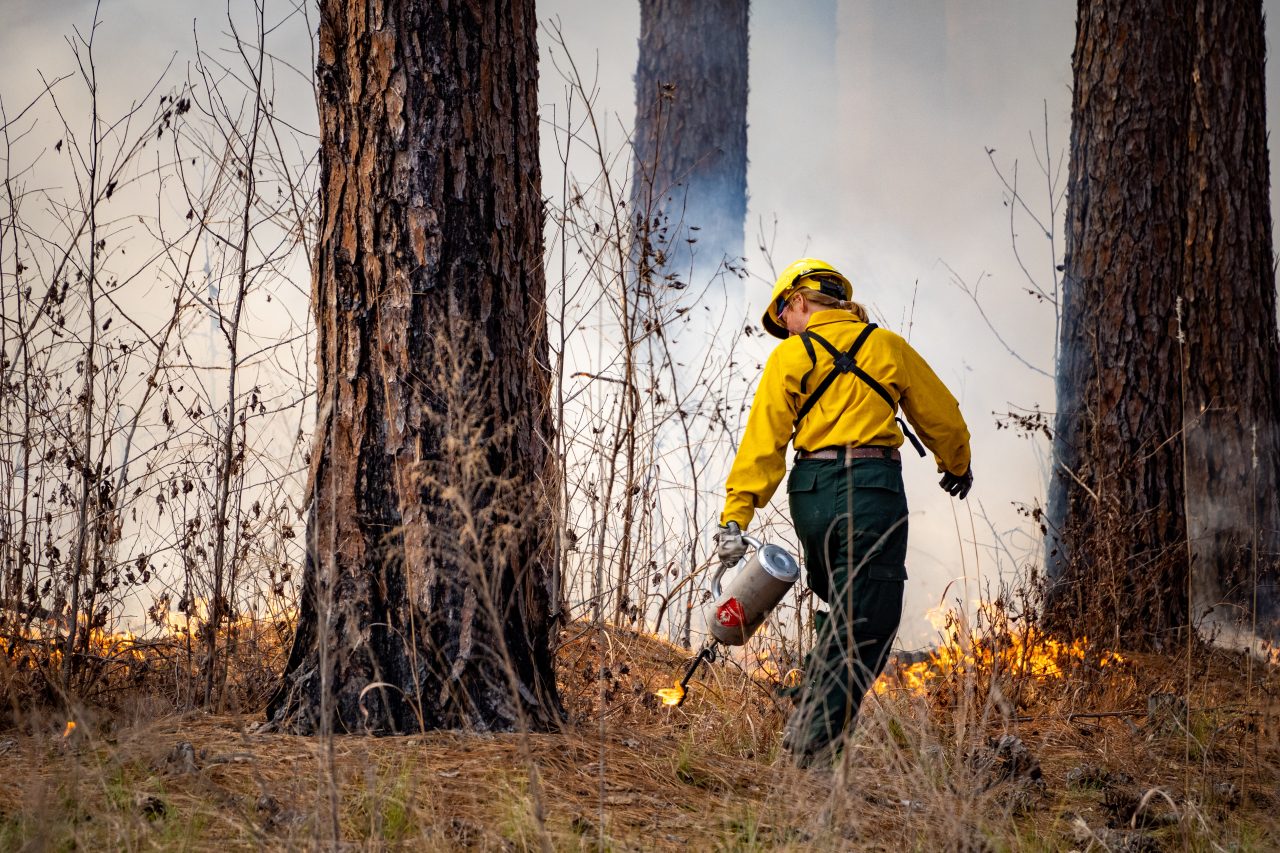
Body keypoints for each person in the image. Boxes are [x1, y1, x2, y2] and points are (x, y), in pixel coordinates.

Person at [714, 257, 972, 766]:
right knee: (870, 618)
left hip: (810, 492)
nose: (784, 328)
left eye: (783, 316)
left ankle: (810, 715)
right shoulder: (887, 347)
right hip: (872, 489)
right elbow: (944, 417)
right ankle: (809, 740)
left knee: (845, 609)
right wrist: (956, 463)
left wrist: (736, 516)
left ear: (800, 302)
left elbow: (761, 447)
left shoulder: (790, 359)